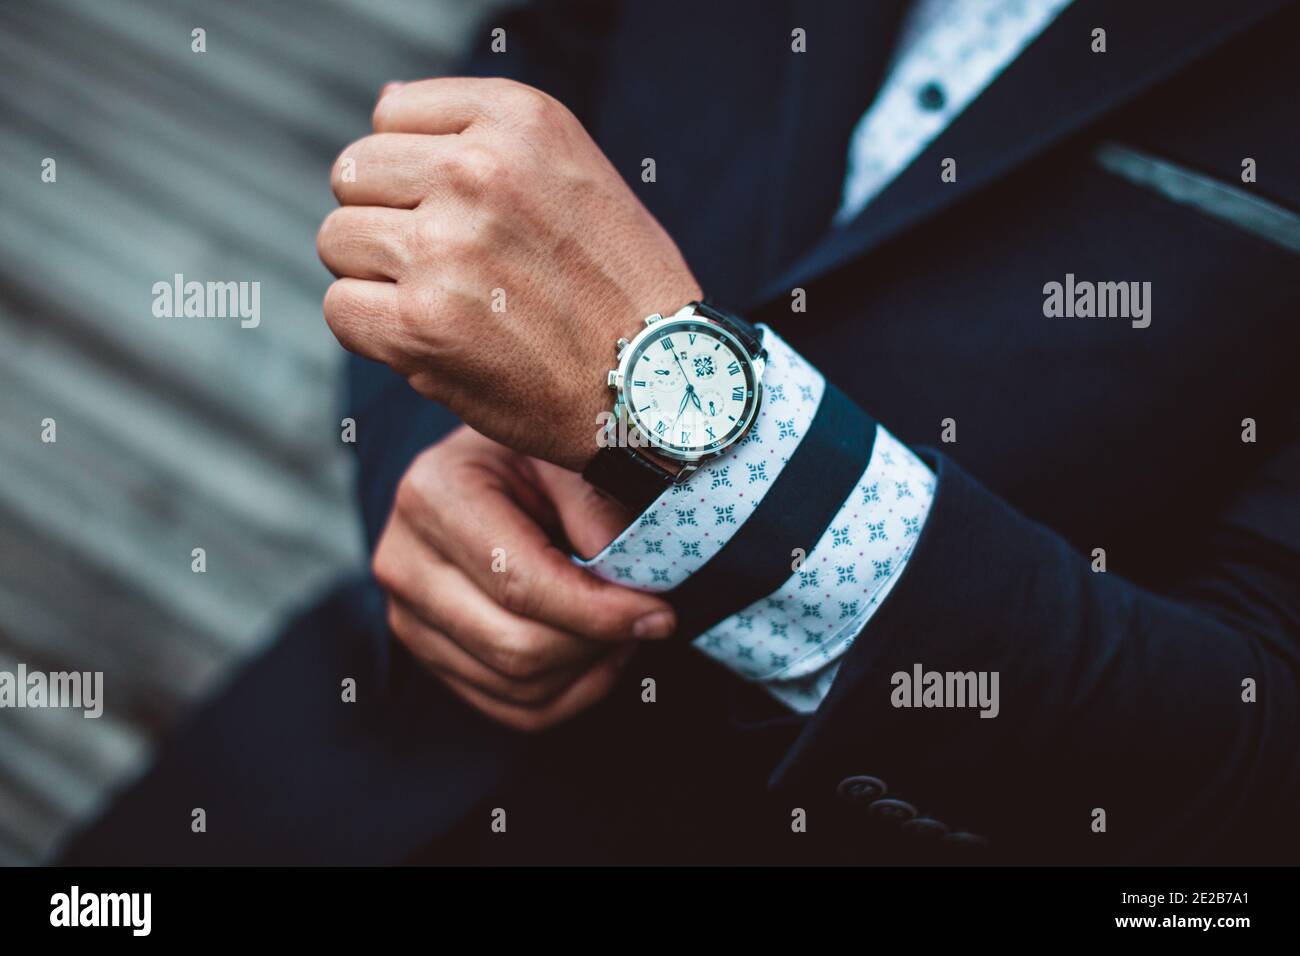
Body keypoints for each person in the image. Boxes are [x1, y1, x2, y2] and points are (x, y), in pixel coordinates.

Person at [64, 0, 1300, 865]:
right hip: (321, 776)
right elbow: (528, 77)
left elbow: (1252, 769)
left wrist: (704, 441)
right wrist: (422, 455)